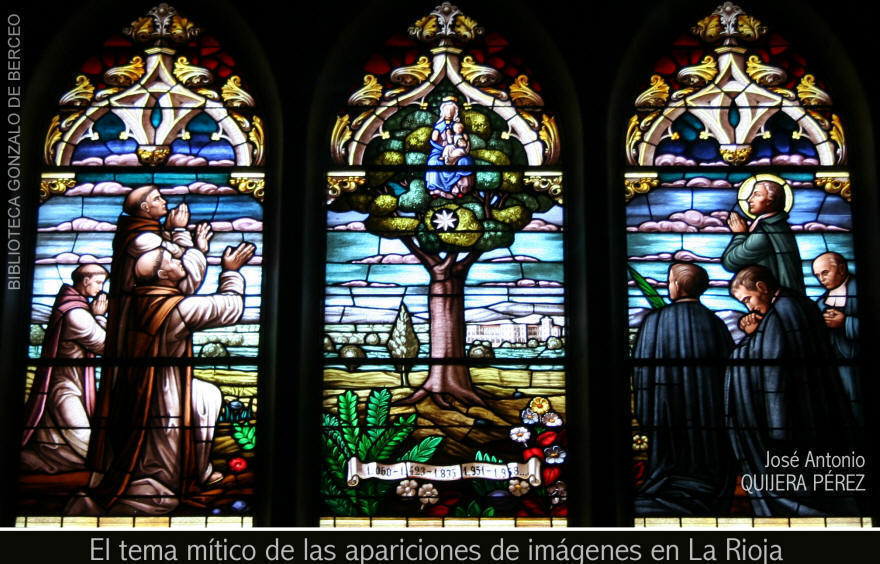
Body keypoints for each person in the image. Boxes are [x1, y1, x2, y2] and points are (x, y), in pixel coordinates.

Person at [77, 242, 255, 515]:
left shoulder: (136, 303)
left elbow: (188, 289)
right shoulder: (172, 309)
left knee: (206, 394)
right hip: (162, 393)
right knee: (163, 450)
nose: (176, 259)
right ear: (162, 275)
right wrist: (231, 272)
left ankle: (199, 469)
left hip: (134, 390)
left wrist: (194, 246)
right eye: (170, 259)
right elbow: (229, 307)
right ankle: (153, 493)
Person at [725, 266, 858, 516]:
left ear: (762, 288)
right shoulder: (799, 304)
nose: (748, 307)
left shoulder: (779, 315)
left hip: (792, 418)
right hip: (816, 408)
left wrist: (749, 338)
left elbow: (770, 364)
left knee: (798, 480)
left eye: (747, 299)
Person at [633, 263, 735, 515]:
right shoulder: (716, 324)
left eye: (669, 281)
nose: (669, 285)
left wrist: (647, 412)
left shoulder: (654, 322)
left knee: (669, 460)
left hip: (665, 410)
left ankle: (668, 490)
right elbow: (729, 376)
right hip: (708, 413)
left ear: (677, 286)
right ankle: (707, 488)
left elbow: (643, 371)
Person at [21, 264, 109, 473]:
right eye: (98, 282)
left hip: (67, 383)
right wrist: (99, 316)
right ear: (85, 281)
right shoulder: (76, 314)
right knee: (83, 439)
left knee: (55, 440)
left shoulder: (71, 305)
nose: (101, 288)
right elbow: (105, 346)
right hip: (65, 388)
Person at [722, 180, 805, 294]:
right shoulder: (778, 226)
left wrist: (740, 234)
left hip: (775, 300)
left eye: (756, 195)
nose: (749, 199)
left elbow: (731, 261)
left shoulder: (766, 232)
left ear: (770, 200)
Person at [812, 252, 861, 424]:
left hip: (855, 366)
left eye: (825, 272)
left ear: (841, 269)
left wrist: (845, 323)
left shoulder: (861, 290)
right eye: (817, 275)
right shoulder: (821, 302)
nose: (821, 279)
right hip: (832, 367)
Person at [426, 97, 474, 198]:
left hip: (455, 150)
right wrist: (437, 135)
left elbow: (462, 141)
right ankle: (436, 189)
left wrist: (462, 140)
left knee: (465, 161)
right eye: (447, 110)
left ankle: (460, 188)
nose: (449, 112)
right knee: (433, 162)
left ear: (455, 112)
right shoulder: (438, 126)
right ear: (442, 111)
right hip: (439, 151)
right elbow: (434, 140)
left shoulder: (457, 126)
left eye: (452, 110)